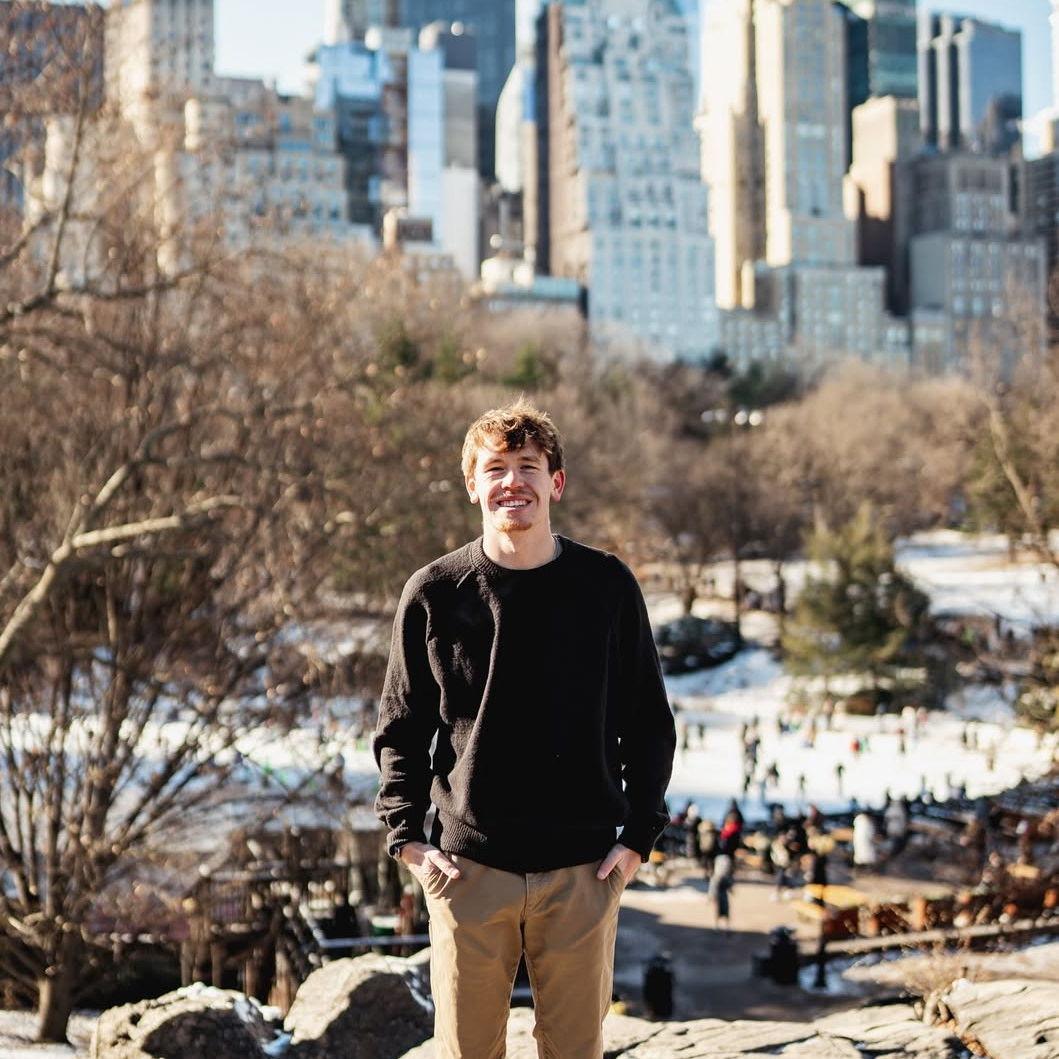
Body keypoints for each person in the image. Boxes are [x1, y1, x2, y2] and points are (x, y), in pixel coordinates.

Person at [373, 400, 676, 1058]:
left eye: (528, 466)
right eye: (496, 468)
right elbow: (401, 728)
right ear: (472, 485)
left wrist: (637, 838)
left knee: (574, 1051)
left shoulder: (605, 585)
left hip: (583, 869)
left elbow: (648, 721)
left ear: (556, 482)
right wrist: (407, 839)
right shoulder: (435, 592)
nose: (512, 481)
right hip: (468, 869)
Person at [709, 853, 734, 930]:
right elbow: (713, 887)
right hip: (718, 897)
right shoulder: (716, 877)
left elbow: (729, 886)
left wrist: (731, 890)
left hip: (724, 897)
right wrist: (711, 896)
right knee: (718, 911)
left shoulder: (726, 877)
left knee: (726, 911)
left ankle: (727, 926)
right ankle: (717, 925)